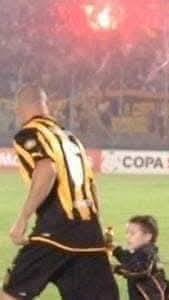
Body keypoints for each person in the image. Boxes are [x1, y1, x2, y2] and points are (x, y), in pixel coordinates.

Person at [2, 84, 119, 300]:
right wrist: (97, 227)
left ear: (18, 108)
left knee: (11, 294)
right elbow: (91, 184)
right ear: (46, 105)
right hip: (90, 235)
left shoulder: (29, 133)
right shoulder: (70, 137)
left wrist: (22, 218)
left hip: (55, 232)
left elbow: (47, 169)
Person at [111, 215, 169, 300]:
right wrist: (116, 250)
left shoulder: (147, 253)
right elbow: (129, 259)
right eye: (127, 233)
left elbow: (138, 270)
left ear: (147, 237)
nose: (128, 236)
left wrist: (116, 269)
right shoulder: (141, 252)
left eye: (132, 233)